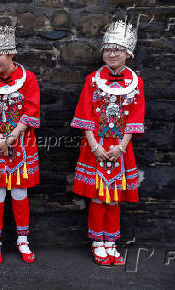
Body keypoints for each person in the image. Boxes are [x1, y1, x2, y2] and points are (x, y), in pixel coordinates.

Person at [71, 20, 144, 265]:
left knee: (114, 197)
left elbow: (135, 118)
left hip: (120, 149)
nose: (112, 53)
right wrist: (95, 146)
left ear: (128, 53)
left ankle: (112, 243)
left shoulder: (136, 83)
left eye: (118, 49)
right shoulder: (92, 80)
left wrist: (120, 147)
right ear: (103, 51)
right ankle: (97, 243)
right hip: (96, 147)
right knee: (98, 196)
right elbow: (84, 116)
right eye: (108, 49)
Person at [0, 26, 41, 264]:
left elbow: (31, 111)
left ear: (11, 54)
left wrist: (11, 137)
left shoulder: (29, 78)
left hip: (22, 144)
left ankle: (23, 241)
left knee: (21, 192)